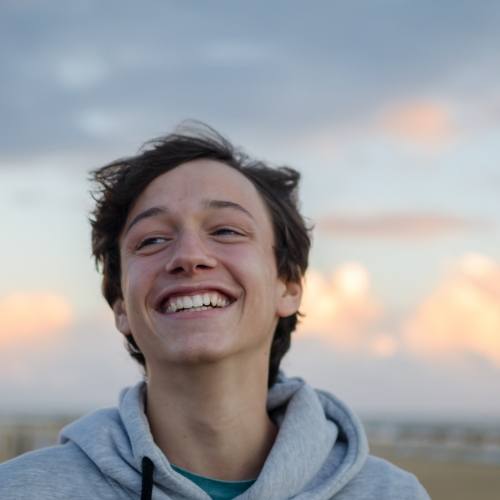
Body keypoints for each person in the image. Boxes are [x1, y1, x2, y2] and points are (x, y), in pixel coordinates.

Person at [0, 123, 430, 499]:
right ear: (120, 307)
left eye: (226, 230)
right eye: (151, 239)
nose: (189, 256)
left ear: (290, 287)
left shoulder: (393, 494)